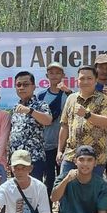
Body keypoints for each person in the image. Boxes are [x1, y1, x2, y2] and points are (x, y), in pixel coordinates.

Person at [57, 66, 107, 184]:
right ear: (77, 81)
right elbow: (64, 125)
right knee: (64, 189)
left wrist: (87, 115)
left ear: (96, 80)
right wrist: (59, 150)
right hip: (71, 155)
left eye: (89, 78)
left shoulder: (104, 99)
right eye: (82, 78)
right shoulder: (71, 99)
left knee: (91, 194)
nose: (85, 82)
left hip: (95, 157)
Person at [8, 70, 53, 182]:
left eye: (26, 84)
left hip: (34, 159)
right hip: (16, 159)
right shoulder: (15, 108)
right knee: (17, 194)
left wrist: (30, 111)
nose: (22, 87)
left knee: (33, 193)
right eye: (19, 85)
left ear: (33, 86)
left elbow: (48, 120)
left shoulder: (41, 105)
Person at [38, 59, 72, 194]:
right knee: (49, 179)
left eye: (58, 73)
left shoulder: (70, 94)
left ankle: (64, 210)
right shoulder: (41, 95)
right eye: (51, 73)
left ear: (63, 75)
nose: (54, 76)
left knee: (64, 179)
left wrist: (68, 91)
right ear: (47, 76)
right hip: (46, 143)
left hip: (65, 144)